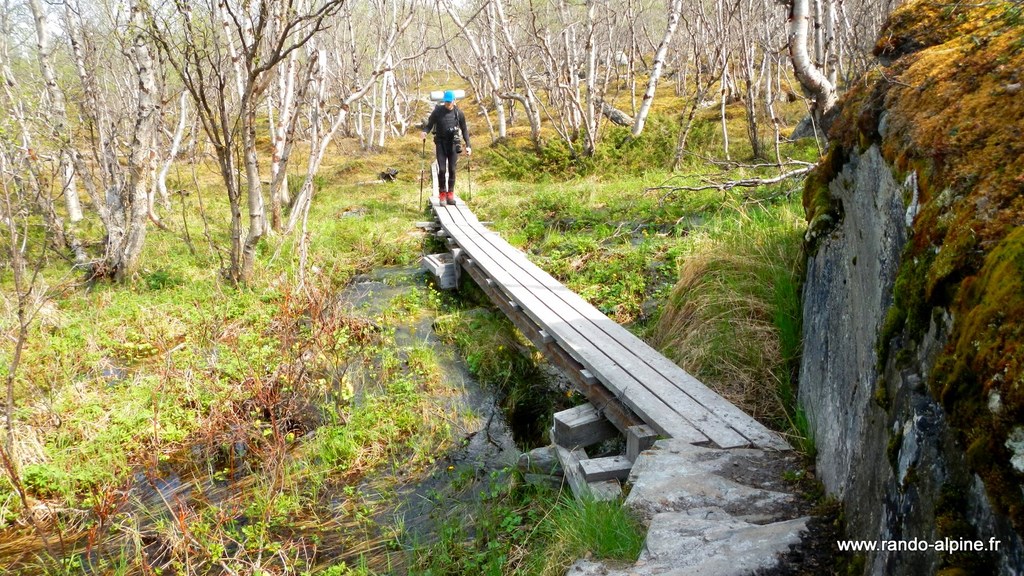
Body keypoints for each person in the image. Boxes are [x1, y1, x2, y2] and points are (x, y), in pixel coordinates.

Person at [421, 90, 471, 206]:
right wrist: (424, 132)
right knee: (442, 169)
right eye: (446, 102)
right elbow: (429, 125)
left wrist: (468, 146)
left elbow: (464, 130)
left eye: (449, 102)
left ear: (454, 101)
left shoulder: (459, 113)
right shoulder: (437, 112)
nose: (447, 104)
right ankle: (442, 194)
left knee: (452, 169)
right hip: (440, 143)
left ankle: (450, 194)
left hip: (453, 144)